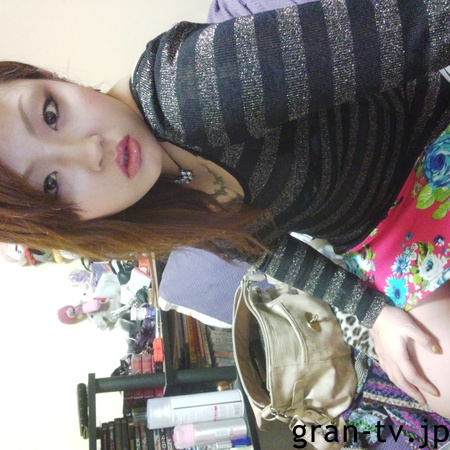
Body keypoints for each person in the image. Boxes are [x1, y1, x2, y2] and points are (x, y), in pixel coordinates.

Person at [0, 0, 449, 420]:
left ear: (51, 77)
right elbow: (267, 250)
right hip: (379, 239)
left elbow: (417, 28)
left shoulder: (192, 85)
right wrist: (374, 313)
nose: (90, 151)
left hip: (427, 142)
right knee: (434, 378)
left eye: (51, 113)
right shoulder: (154, 200)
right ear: (70, 226)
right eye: (52, 185)